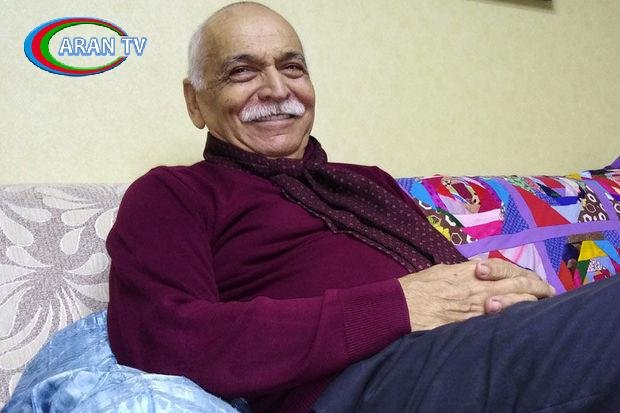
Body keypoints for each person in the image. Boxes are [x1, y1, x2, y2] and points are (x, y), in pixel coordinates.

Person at [106, 2, 620, 412]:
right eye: (242, 71)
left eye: (292, 67)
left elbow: (446, 281)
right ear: (195, 101)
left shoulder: (366, 181)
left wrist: (514, 291)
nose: (278, 89)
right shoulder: (172, 193)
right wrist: (395, 307)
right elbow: (162, 336)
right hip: (351, 386)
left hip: (472, 349)